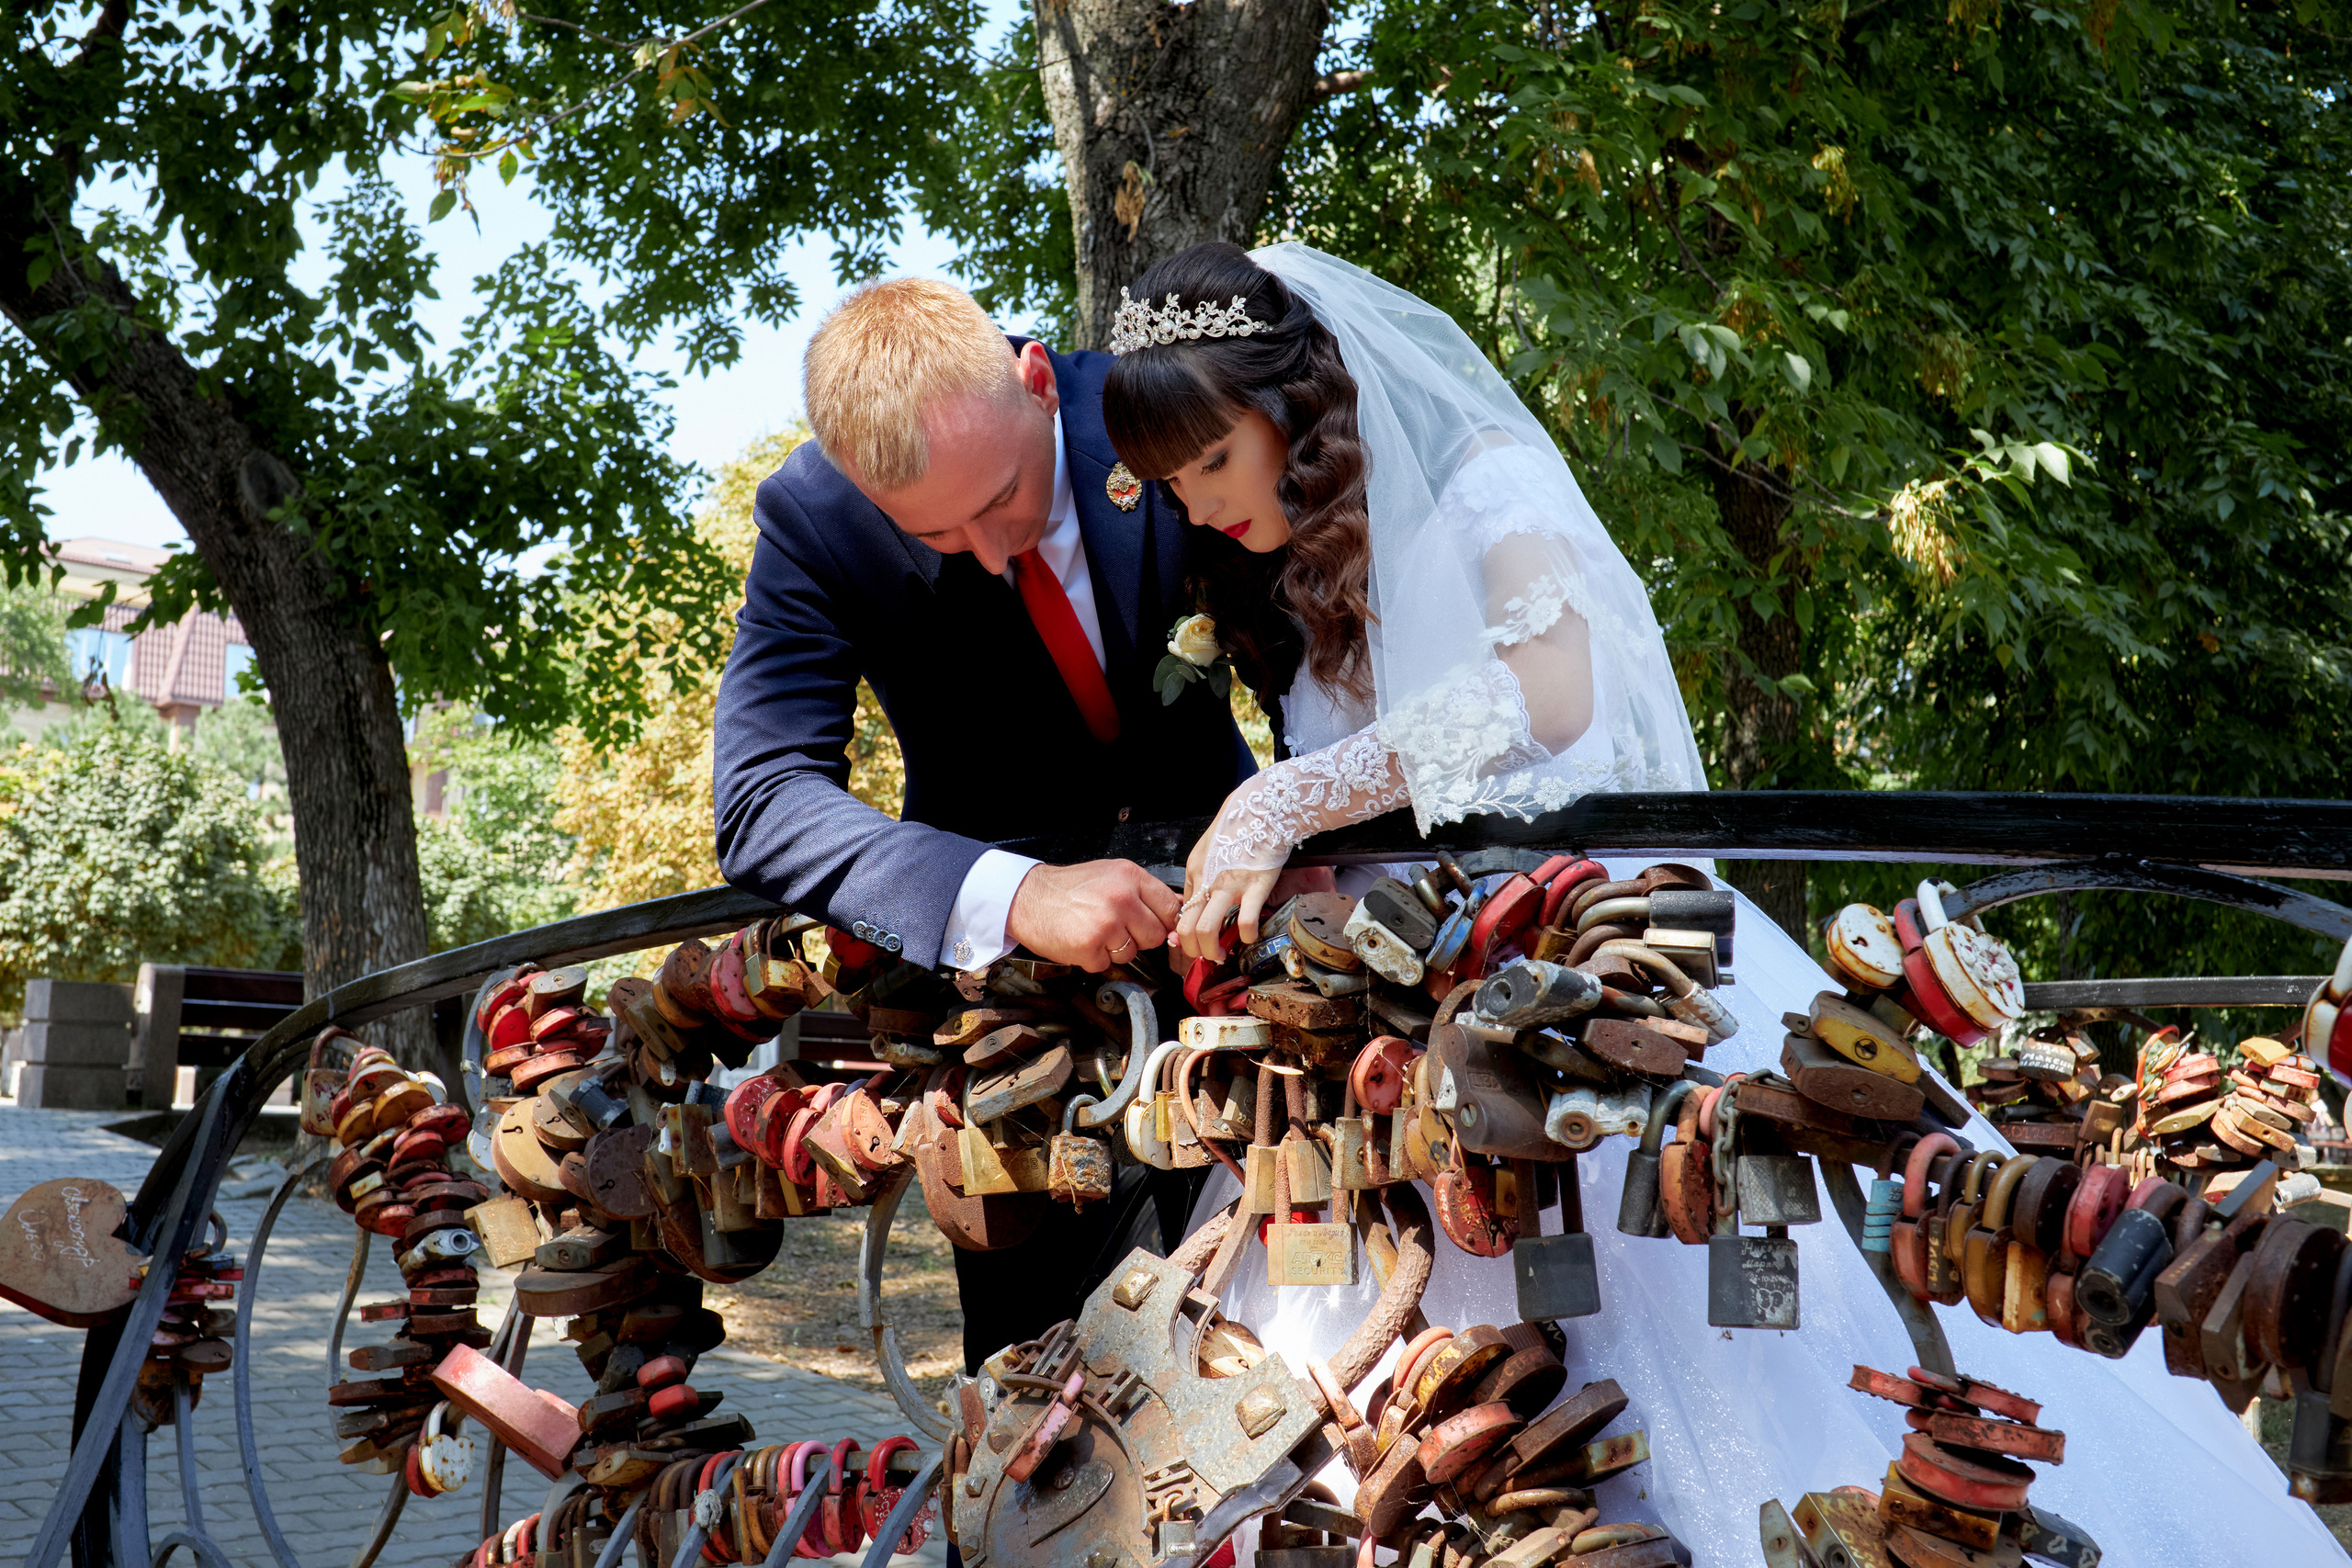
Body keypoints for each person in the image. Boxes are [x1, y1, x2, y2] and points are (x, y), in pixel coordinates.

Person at [1099, 242, 2340, 1566]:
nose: (1198, 504)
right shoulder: (1305, 567)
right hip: (1408, 1054)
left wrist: (1293, 793)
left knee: (1714, 1297)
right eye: (1173, 484)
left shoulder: (1483, 480)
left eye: (1211, 461)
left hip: (1592, 981)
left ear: (1296, 404)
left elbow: (1549, 693)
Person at [711, 276, 1251, 1370]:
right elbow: (762, 797)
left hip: (1242, 987)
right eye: (936, 534)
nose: (994, 554)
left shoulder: (1157, 409)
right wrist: (1011, 892)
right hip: (1015, 1058)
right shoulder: (815, 516)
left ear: (1037, 382)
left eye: (1004, 499)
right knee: (1042, 1402)